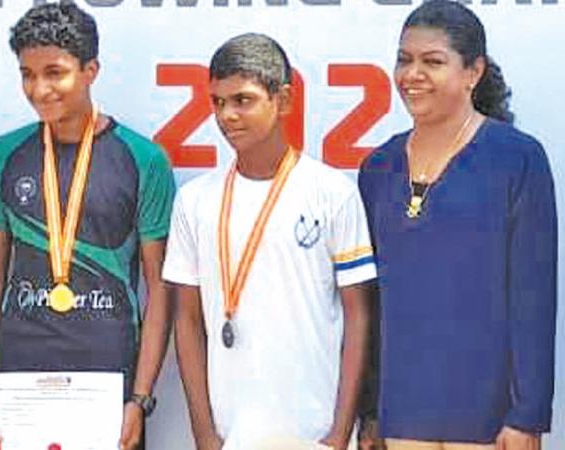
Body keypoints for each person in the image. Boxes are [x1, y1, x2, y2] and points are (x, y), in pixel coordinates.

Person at [0, 3, 176, 449]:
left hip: (108, 381)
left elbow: (160, 289)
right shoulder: (2, 156)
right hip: (19, 383)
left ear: (90, 70)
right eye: (27, 74)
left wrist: (140, 399)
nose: (39, 89)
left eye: (54, 72)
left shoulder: (144, 159)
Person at [358, 1, 557, 449]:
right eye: (404, 59)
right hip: (402, 412)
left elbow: (534, 299)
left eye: (432, 62)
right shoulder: (378, 168)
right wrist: (369, 410)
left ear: (473, 72)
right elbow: (371, 305)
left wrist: (528, 416)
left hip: (487, 417)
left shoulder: (517, 159)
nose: (412, 74)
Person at [163, 33, 376, 450]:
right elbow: (186, 320)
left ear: (283, 101)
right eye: (218, 102)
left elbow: (359, 315)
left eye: (242, 100)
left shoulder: (333, 192)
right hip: (231, 433)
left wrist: (339, 432)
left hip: (313, 430)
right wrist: (204, 433)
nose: (227, 116)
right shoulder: (195, 201)